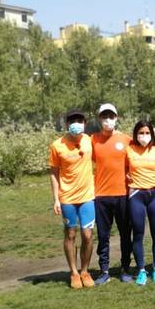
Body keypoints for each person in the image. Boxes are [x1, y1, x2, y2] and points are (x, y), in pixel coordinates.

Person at [49, 108, 96, 289]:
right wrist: (56, 199)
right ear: (67, 124)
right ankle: (74, 273)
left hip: (87, 196)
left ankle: (85, 270)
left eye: (80, 120)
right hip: (67, 197)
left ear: (84, 123)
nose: (76, 124)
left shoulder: (89, 141)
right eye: (72, 121)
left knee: (87, 234)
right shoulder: (57, 145)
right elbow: (53, 172)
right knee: (70, 233)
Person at [91, 103, 133, 285]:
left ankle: (125, 268)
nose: (108, 120)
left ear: (117, 118)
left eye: (111, 116)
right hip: (101, 196)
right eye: (104, 116)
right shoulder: (93, 140)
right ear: (99, 119)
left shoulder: (126, 140)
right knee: (103, 235)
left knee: (125, 233)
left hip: (123, 194)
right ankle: (104, 270)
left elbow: (135, 162)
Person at [126, 120, 155, 286]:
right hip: (137, 194)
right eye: (141, 133)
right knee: (138, 233)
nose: (144, 136)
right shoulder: (129, 150)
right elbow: (121, 168)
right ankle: (141, 270)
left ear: (152, 134)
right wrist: (126, 175)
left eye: (147, 133)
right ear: (135, 134)